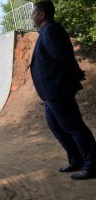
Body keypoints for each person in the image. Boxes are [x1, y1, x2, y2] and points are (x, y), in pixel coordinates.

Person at [30, 0, 96, 180]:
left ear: (41, 15)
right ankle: (77, 160)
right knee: (57, 127)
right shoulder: (45, 31)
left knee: (74, 127)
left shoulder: (50, 30)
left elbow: (62, 57)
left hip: (58, 90)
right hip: (50, 93)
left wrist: (73, 75)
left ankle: (92, 165)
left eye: (33, 13)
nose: (31, 17)